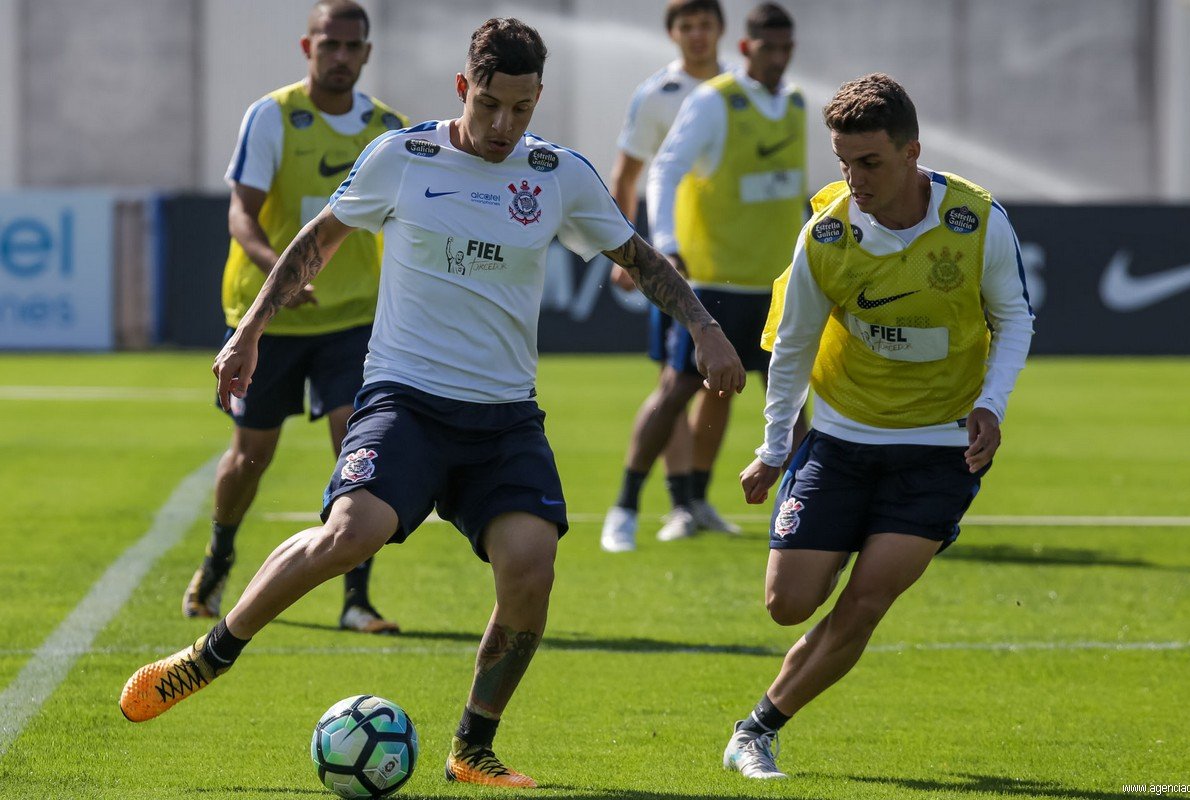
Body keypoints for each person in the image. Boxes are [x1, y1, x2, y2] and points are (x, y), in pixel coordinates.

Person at [119, 17, 745, 790]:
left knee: (532, 565)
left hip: (505, 416)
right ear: (463, 88)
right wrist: (249, 331)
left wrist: (706, 329)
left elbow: (640, 258)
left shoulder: (558, 173)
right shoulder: (403, 157)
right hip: (406, 399)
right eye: (489, 105)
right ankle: (210, 654)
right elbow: (315, 240)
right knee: (352, 532)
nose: (503, 125)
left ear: (537, 98)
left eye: (521, 108)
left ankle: (472, 748)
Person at [722, 73, 1035, 780]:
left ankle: (758, 729)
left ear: (912, 151)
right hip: (842, 436)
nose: (854, 179)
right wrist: (775, 448)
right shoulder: (826, 233)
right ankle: (820, 562)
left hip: (938, 445)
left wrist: (992, 405)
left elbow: (1013, 317)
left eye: (870, 163)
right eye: (843, 163)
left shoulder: (975, 221)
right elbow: (792, 345)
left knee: (865, 601)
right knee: (788, 602)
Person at [183, 0, 407, 635]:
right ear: (306, 48)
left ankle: (356, 600)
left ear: (367, 54)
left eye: (351, 46)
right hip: (270, 320)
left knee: (359, 452)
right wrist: (282, 273)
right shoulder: (274, 116)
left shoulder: (390, 131)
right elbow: (241, 215)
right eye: (328, 44)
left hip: (353, 322)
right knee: (252, 455)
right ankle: (220, 555)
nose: (339, 56)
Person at [601, 2, 808, 552]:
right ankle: (625, 506)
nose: (780, 58)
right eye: (770, 47)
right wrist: (657, 251)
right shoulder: (703, 100)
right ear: (746, 47)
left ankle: (798, 513)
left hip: (778, 284)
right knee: (676, 388)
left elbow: (792, 189)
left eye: (787, 48)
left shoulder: (794, 102)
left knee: (790, 400)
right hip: (710, 278)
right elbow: (656, 170)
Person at [602, 0, 729, 550]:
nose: (697, 35)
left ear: (721, 30)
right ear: (673, 34)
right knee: (675, 382)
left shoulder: (739, 89)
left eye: (705, 24)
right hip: (679, 260)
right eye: (687, 26)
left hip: (736, 260)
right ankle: (675, 503)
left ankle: (697, 497)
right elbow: (627, 173)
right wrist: (623, 252)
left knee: (720, 387)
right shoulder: (658, 94)